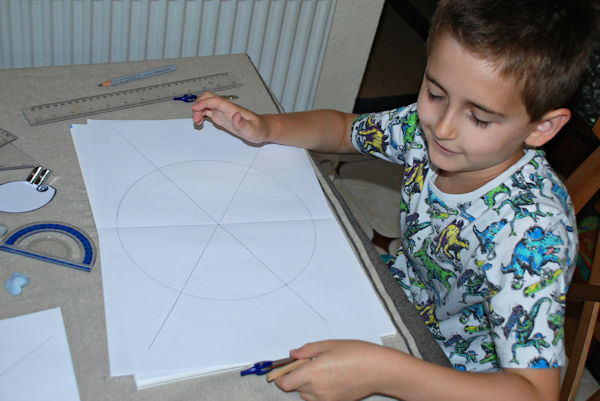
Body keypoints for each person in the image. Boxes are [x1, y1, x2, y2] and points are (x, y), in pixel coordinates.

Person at [191, 1, 599, 399]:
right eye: (435, 93)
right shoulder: (424, 129)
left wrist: (384, 373)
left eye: (480, 118)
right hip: (393, 298)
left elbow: (534, 393)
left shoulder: (534, 233)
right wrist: (265, 126)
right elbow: (343, 129)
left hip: (456, 375)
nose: (444, 127)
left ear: (543, 127)